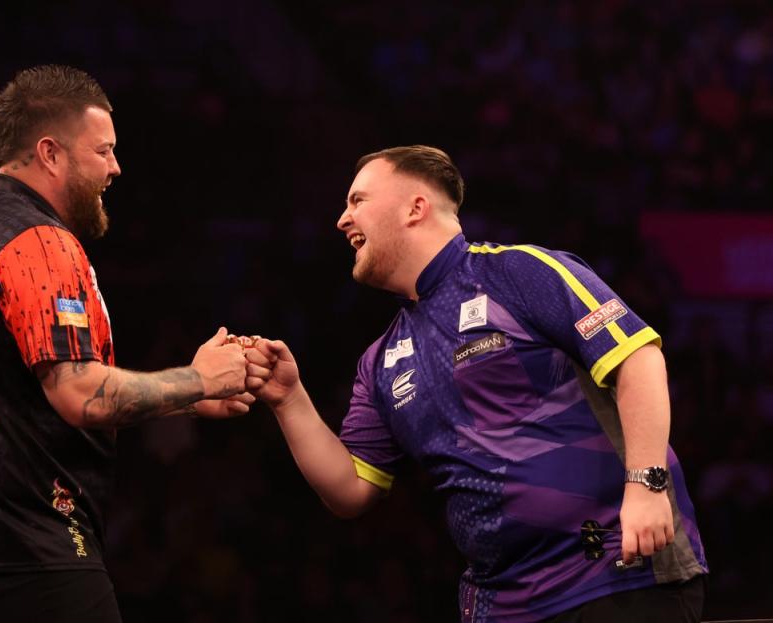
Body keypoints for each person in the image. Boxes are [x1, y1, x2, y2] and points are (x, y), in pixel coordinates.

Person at [244, 145, 708, 622]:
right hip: (499, 607)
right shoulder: (380, 360)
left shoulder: (518, 273)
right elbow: (351, 489)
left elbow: (639, 358)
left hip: (615, 577)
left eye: (357, 200)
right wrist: (288, 399)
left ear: (415, 207)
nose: (342, 220)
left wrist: (647, 484)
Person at [0, 65, 252, 622]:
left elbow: (29, 394)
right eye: (103, 151)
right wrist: (202, 379)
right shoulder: (37, 240)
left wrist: (186, 398)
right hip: (33, 547)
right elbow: (79, 394)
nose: (116, 167)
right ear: (51, 153)